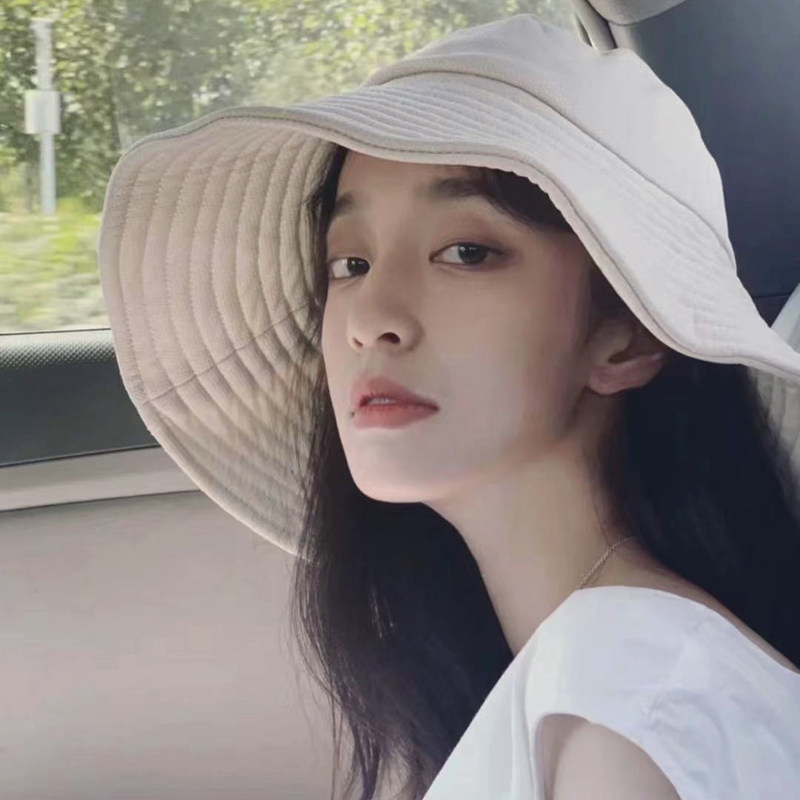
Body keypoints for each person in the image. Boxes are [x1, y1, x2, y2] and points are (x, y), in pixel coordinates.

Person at [96, 13, 800, 800]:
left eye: (466, 252)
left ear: (624, 338)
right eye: (349, 263)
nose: (371, 317)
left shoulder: (624, 710)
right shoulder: (595, 675)